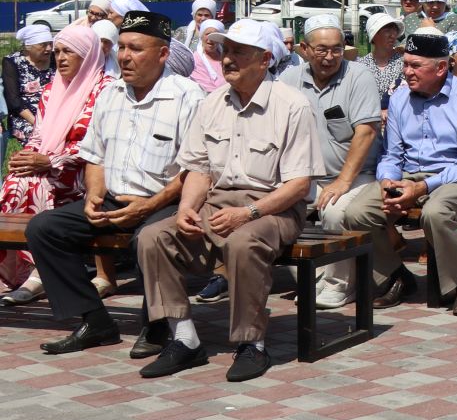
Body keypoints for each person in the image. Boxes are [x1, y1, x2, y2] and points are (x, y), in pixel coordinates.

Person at [135, 20, 327, 381]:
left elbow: (300, 184)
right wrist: (187, 208)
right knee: (153, 237)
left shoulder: (292, 106)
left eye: (240, 51)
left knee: (243, 240)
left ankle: (251, 344)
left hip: (275, 206)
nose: (228, 59)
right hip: (217, 201)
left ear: (265, 59)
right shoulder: (211, 103)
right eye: (225, 50)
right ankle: (185, 339)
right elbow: (198, 169)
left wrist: (248, 212)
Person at [28, 11, 204, 356]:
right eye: (121, 47)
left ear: (163, 54)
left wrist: (151, 205)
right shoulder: (111, 94)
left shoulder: (188, 96)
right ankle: (94, 320)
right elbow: (95, 156)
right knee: (45, 228)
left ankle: (156, 326)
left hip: (166, 201)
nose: (124, 56)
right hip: (113, 198)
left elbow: (195, 167)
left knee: (148, 240)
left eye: (136, 48)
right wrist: (94, 195)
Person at [365, 29, 457, 313]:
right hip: (408, 175)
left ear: (441, 67)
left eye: (415, 65)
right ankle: (395, 275)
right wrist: (387, 179)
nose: (406, 71)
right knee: (350, 213)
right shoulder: (399, 98)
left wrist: (422, 188)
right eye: (405, 63)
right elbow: (392, 154)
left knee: (435, 213)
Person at [0, 21, 113, 304]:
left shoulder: (107, 90)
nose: (60, 58)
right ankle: (24, 268)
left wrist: (49, 161)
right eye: (58, 51)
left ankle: (40, 273)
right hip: (50, 163)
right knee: (16, 179)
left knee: (39, 184)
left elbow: (97, 143)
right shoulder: (52, 89)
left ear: (87, 54)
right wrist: (29, 156)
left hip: (89, 171)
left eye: (69, 52)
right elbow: (39, 133)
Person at [284, 15, 385, 312]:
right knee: (280, 214)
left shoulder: (358, 76)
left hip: (356, 176)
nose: (330, 57)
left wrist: (342, 181)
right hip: (306, 177)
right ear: (304, 48)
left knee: (334, 210)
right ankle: (313, 280)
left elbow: (366, 132)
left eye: (337, 49)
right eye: (321, 49)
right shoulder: (289, 80)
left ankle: (340, 285)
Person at [4, 22, 57, 145]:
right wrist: (38, 124)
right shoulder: (12, 62)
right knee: (42, 140)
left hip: (56, 114)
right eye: (43, 45)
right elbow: (14, 101)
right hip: (27, 117)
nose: (49, 48)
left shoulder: (56, 58)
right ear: (28, 47)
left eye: (50, 44)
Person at [364, 13, 404, 100]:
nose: (392, 35)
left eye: (394, 30)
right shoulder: (361, 65)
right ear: (374, 35)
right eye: (387, 30)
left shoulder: (404, 64)